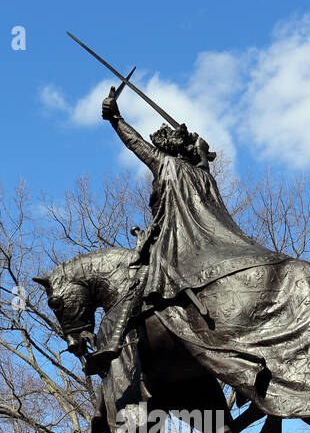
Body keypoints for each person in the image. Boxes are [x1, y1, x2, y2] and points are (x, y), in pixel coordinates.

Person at [87, 86, 287, 374]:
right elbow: (203, 159)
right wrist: (202, 150)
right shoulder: (203, 173)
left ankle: (112, 343)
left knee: (138, 278)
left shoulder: (165, 164)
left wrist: (115, 118)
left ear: (165, 148)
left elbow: (135, 143)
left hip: (176, 245)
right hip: (212, 245)